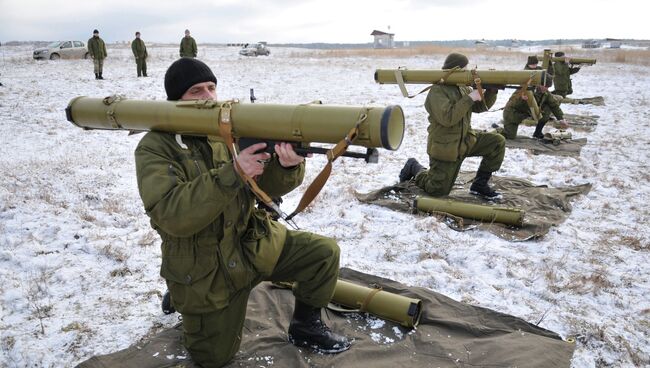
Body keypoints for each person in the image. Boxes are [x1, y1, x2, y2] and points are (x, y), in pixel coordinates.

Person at [134, 58, 350, 367]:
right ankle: (183, 295)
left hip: (250, 243)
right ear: (176, 101)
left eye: (211, 88)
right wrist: (232, 172)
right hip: (207, 267)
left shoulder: (226, 131)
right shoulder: (156, 147)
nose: (209, 97)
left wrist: (286, 166)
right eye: (196, 91)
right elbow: (172, 214)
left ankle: (305, 326)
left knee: (323, 254)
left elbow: (260, 188)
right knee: (213, 358)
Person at [399, 53, 505, 199]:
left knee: (497, 142)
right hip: (446, 148)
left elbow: (480, 107)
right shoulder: (438, 90)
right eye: (464, 69)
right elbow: (448, 118)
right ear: (455, 69)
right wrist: (469, 98)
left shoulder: (462, 87)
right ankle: (414, 167)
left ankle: (479, 185)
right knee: (437, 190)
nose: (467, 72)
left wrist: (491, 91)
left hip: (466, 141)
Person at [500, 79, 567, 140]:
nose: (546, 89)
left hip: (527, 113)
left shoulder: (546, 93)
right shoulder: (526, 88)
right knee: (510, 137)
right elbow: (512, 102)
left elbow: (554, 105)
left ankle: (538, 132)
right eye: (545, 86)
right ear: (539, 84)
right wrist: (521, 99)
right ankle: (498, 130)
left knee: (548, 106)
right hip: (513, 114)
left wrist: (561, 118)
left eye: (548, 87)